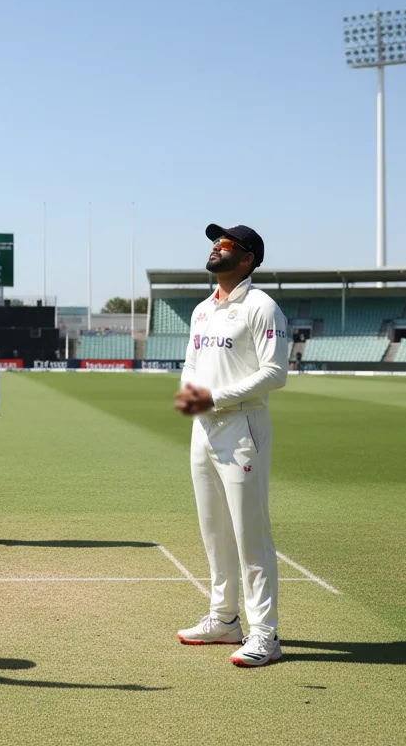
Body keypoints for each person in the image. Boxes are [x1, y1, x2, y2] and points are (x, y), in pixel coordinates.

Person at [173, 224, 289, 668]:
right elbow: (191, 362)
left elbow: (275, 372)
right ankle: (224, 619)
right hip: (203, 429)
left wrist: (215, 398)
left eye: (225, 245)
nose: (215, 248)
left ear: (248, 259)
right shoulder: (203, 309)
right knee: (214, 529)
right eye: (214, 242)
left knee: (250, 534)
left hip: (242, 427)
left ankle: (266, 634)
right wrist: (190, 397)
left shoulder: (262, 307)